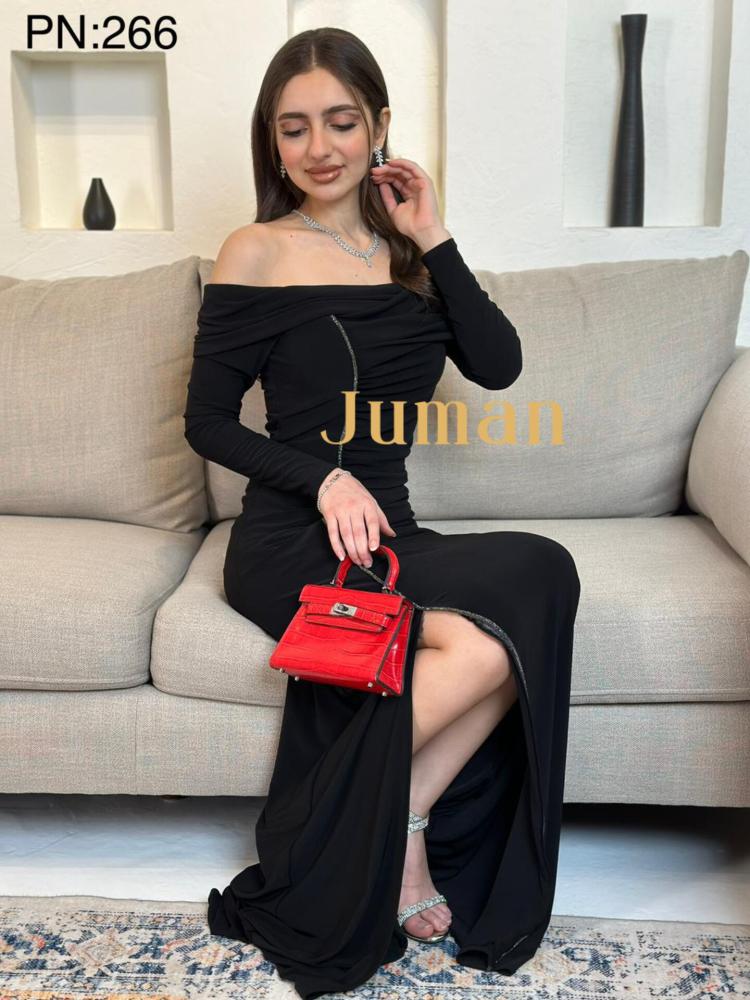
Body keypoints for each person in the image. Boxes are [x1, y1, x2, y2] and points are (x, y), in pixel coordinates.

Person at [183, 26, 581, 1000]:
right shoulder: (255, 250)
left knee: (539, 575)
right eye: (293, 128)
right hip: (291, 536)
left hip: (388, 534)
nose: (319, 147)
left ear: (379, 126)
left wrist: (434, 235)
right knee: (481, 644)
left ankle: (386, 814)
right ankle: (392, 841)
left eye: (341, 121)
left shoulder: (410, 254)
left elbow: (499, 366)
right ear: (272, 143)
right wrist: (322, 479)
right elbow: (205, 421)